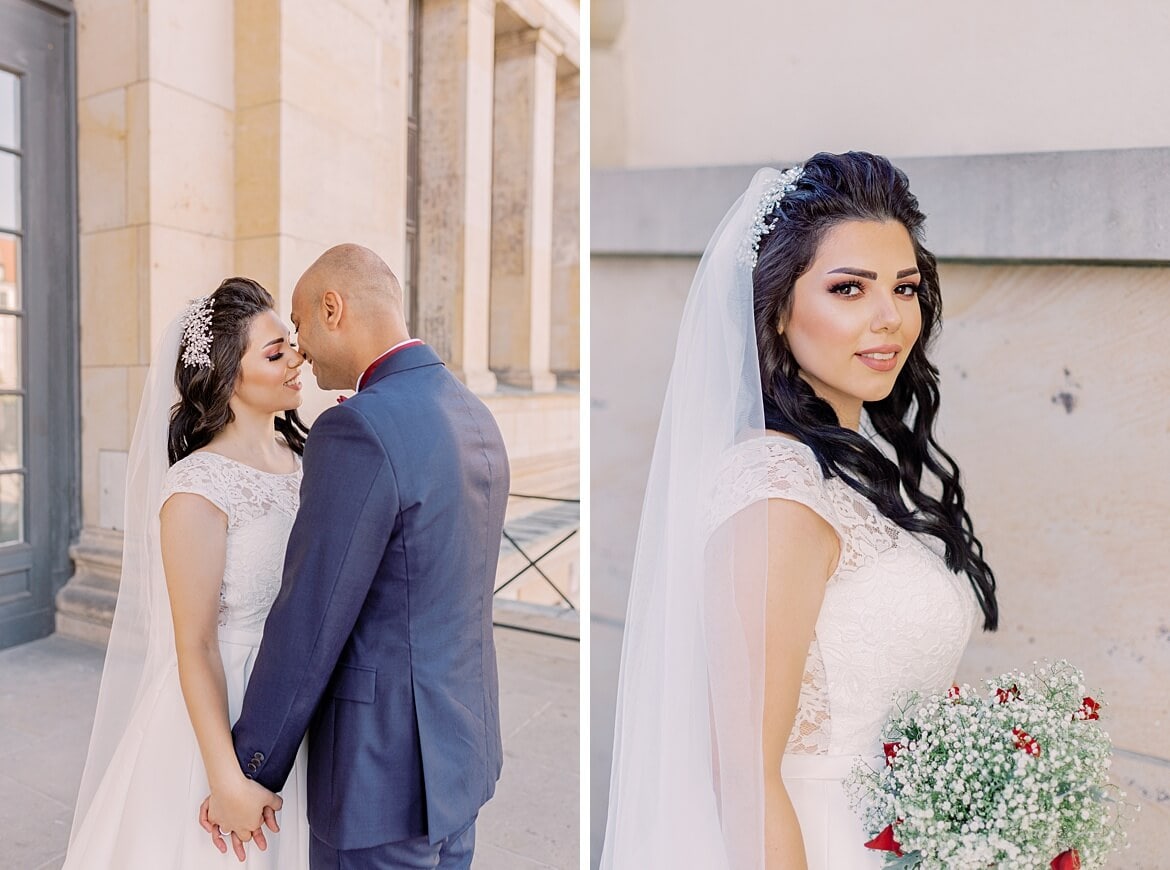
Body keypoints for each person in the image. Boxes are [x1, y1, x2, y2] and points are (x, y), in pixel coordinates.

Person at [600, 152, 999, 869]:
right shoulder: (775, 492)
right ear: (780, 308)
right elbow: (746, 779)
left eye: (903, 289)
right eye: (849, 288)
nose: (889, 320)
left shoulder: (850, 470)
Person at [201, 244, 510, 870]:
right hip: (460, 762)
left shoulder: (359, 429)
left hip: (380, 780)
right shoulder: (472, 411)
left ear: (333, 307)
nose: (299, 349)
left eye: (301, 323)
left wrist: (251, 770)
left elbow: (310, 617)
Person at [65, 277, 312, 868]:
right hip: (221, 706)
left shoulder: (306, 460)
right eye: (275, 353)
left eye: (293, 346)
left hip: (293, 702)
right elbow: (194, 643)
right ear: (227, 377)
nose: (297, 360)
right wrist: (224, 779)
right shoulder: (198, 485)